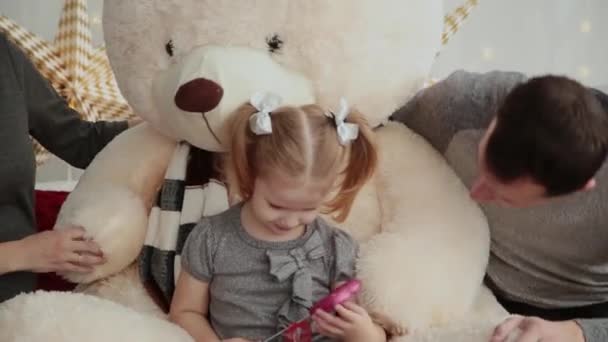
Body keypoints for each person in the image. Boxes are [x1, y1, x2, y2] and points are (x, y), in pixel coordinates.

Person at [391, 70, 608, 342]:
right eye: (481, 163)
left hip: (575, 310)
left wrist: (577, 333)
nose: (476, 193)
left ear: (580, 188)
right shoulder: (457, 104)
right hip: (459, 267)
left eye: (504, 197)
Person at [169, 93, 386, 341]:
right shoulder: (212, 238)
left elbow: (361, 321)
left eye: (307, 209)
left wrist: (364, 334)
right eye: (275, 205)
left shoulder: (335, 247)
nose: (290, 221)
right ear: (248, 177)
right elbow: (185, 311)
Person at [0, 32, 135, 302]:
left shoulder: (4, 56)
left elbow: (78, 140)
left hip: (15, 304)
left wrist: (165, 124)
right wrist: (24, 253)